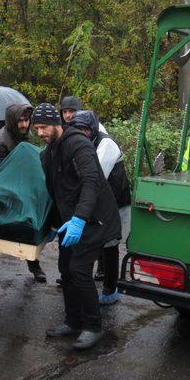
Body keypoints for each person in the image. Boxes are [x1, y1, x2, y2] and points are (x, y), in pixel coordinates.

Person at [32, 103, 121, 350]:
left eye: (44, 127)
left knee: (80, 271)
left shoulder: (78, 144)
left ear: (56, 123)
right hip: (69, 220)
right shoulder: (48, 153)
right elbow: (55, 191)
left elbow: (91, 182)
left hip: (95, 219)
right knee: (66, 269)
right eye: (36, 128)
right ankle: (72, 321)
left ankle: (93, 326)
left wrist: (80, 218)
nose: (40, 133)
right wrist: (52, 223)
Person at [70, 110, 131, 306]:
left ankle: (110, 289)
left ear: (93, 129)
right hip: (95, 202)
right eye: (77, 129)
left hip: (115, 203)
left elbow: (94, 177)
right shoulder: (79, 143)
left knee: (110, 245)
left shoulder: (106, 145)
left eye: (85, 129)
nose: (81, 133)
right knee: (94, 243)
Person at [0, 102, 47, 282]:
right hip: (4, 189)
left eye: (27, 120)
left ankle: (33, 263)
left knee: (30, 226)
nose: (24, 125)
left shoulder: (28, 135)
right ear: (11, 121)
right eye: (20, 121)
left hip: (24, 187)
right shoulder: (0, 139)